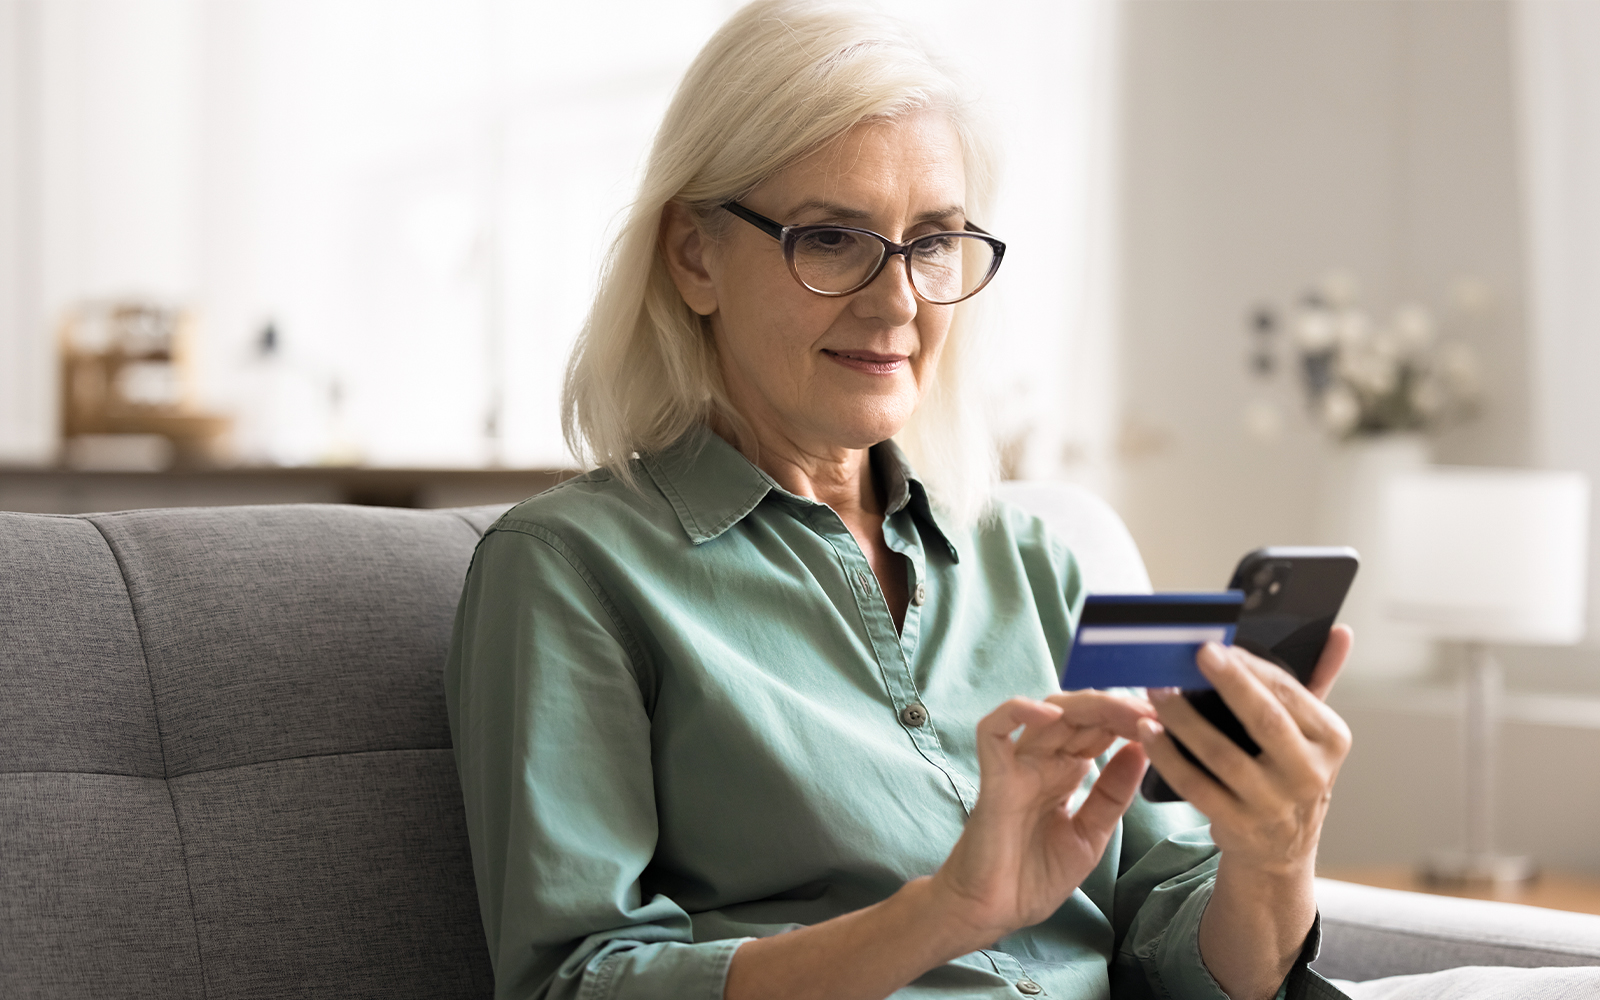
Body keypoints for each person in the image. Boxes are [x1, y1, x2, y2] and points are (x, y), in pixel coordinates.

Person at [444, 3, 1355, 999]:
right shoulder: (569, 570)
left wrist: (1273, 856)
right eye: (833, 238)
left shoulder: (1042, 560)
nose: (898, 302)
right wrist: (942, 913)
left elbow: (1174, 942)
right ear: (695, 256)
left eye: (933, 242)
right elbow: (576, 983)